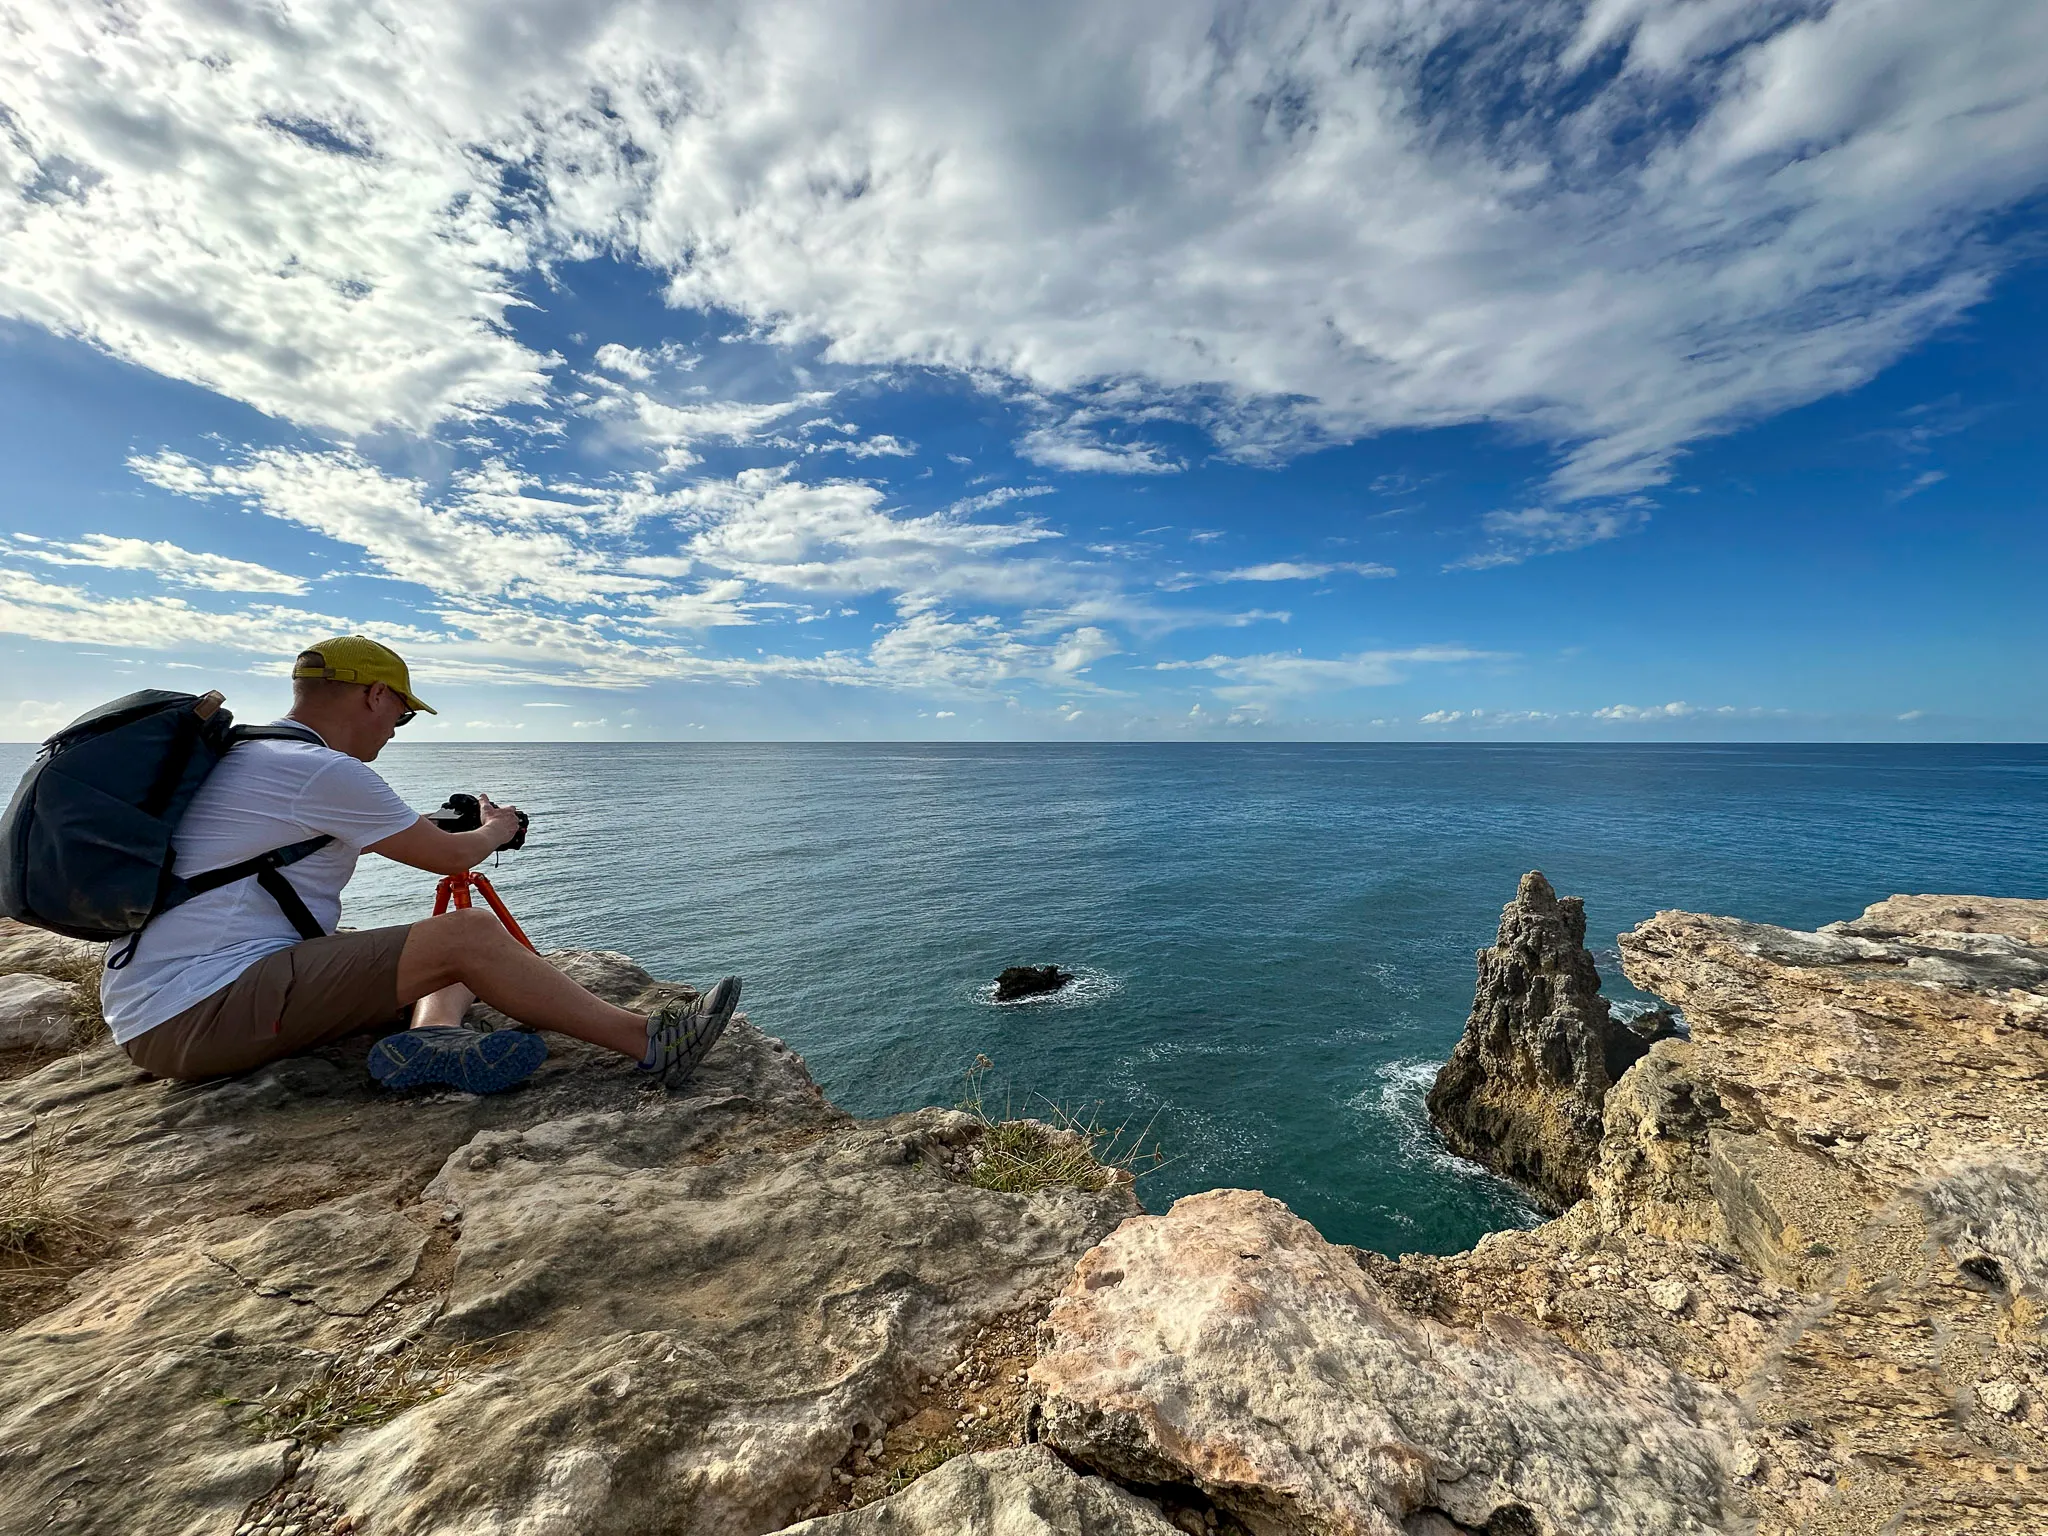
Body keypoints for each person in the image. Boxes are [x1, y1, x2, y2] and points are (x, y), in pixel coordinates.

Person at [99, 634, 738, 1093]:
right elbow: (450, 857)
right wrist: (496, 828)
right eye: (402, 713)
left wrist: (450, 824)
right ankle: (651, 1043)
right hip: (198, 1013)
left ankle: (434, 1036)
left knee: (447, 949)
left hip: (165, 1007)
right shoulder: (319, 769)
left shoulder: (248, 756)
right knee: (469, 934)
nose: (398, 728)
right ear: (376, 695)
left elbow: (359, 830)